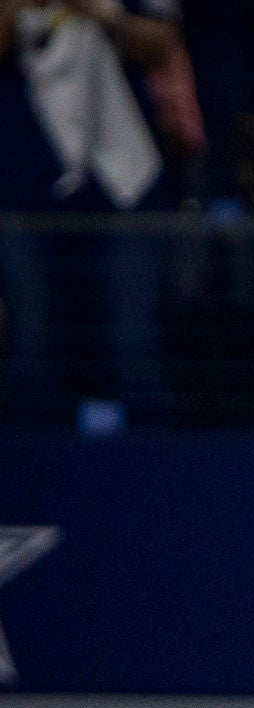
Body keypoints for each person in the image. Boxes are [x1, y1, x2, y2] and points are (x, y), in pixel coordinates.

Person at [0, 0, 183, 429]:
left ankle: (152, 485)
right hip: (23, 184)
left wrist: (104, 14)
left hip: (123, 182)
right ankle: (39, 491)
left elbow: (164, 44)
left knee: (132, 345)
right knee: (35, 347)